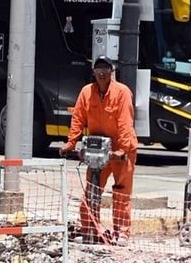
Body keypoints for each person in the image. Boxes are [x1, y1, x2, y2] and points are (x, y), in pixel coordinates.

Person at [59, 56, 139, 245]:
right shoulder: (87, 92)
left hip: (121, 150)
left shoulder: (122, 92)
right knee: (92, 192)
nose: (102, 73)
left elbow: (125, 123)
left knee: (121, 193)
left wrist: (122, 150)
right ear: (93, 72)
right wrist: (71, 144)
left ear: (112, 72)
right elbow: (78, 118)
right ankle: (89, 229)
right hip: (98, 151)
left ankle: (122, 233)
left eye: (106, 69)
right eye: (98, 69)